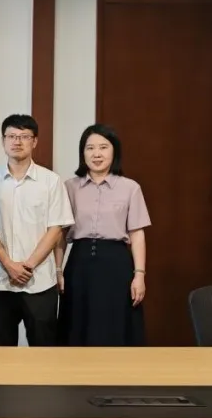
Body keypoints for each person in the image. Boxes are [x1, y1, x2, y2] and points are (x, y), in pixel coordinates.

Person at [0, 114, 72, 347]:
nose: (17, 141)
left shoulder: (51, 181)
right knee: (2, 351)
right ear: (3, 141)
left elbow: (55, 229)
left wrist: (27, 266)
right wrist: (8, 264)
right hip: (0, 280)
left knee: (44, 349)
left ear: (35, 141)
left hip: (40, 280)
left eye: (24, 136)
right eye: (11, 136)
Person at [57, 124, 150, 346]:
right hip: (79, 264)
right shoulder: (69, 187)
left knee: (115, 324)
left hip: (116, 264)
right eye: (90, 148)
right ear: (82, 153)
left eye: (103, 147)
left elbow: (137, 234)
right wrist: (58, 270)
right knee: (77, 324)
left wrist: (139, 275)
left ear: (114, 151)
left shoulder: (130, 188)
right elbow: (59, 234)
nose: (96, 154)